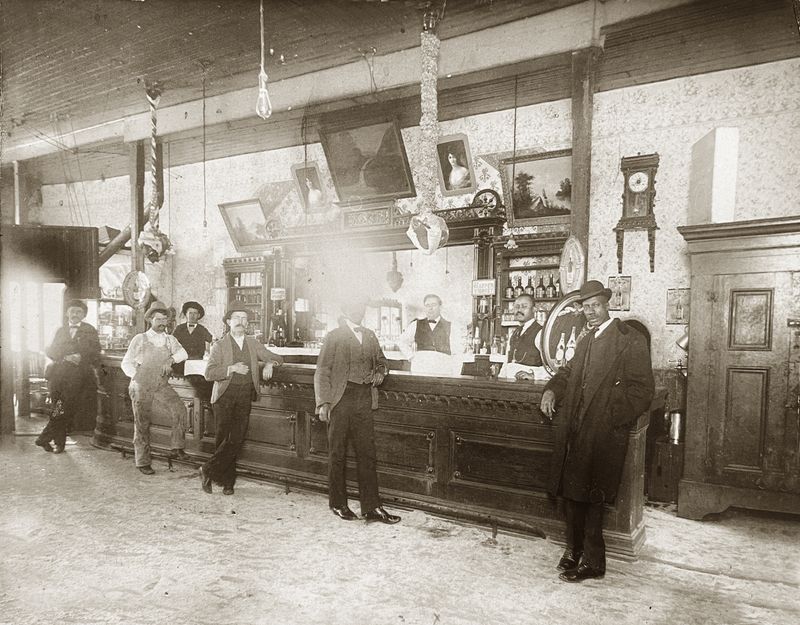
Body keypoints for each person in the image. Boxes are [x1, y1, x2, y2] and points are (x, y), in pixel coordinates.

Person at [540, 280, 654, 583]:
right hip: (577, 426)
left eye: (595, 306)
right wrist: (552, 390)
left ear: (607, 305)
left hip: (602, 430)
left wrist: (611, 416)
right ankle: (574, 550)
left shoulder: (628, 340)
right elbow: (568, 373)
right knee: (573, 491)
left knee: (592, 497)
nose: (590, 312)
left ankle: (593, 562)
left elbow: (643, 391)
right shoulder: (587, 340)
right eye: (585, 307)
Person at [314, 299, 400, 524]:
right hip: (340, 399)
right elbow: (322, 370)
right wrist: (323, 403)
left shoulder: (370, 335)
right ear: (345, 309)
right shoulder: (334, 336)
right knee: (337, 452)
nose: (359, 310)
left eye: (361, 306)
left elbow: (382, 361)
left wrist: (381, 372)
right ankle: (338, 503)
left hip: (364, 398)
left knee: (367, 454)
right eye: (354, 305)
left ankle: (372, 507)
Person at [201, 305, 283, 495]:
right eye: (237, 317)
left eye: (244, 318)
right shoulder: (219, 345)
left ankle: (207, 470)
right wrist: (231, 369)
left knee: (236, 439)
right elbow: (209, 373)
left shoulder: (253, 343)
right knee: (223, 439)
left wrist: (269, 363)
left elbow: (277, 357)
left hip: (245, 395)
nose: (241, 321)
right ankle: (227, 482)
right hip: (224, 396)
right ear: (228, 322)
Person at [121, 300, 189, 474]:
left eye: (164, 319)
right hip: (141, 385)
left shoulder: (170, 339)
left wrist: (170, 360)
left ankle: (176, 447)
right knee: (142, 423)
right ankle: (142, 461)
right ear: (150, 319)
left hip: (161, 385)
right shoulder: (140, 339)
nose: (161, 323)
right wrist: (135, 376)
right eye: (157, 319)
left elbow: (183, 353)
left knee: (180, 409)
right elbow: (126, 362)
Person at [35, 299, 101, 453]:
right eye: (72, 311)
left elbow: (96, 351)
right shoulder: (60, 330)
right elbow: (50, 351)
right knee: (58, 407)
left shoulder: (90, 330)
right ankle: (56, 443)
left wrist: (81, 357)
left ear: (84, 314)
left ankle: (45, 438)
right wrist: (65, 357)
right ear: (67, 313)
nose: (75, 314)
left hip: (78, 376)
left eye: (78, 312)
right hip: (58, 376)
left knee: (63, 408)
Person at [171, 300, 214, 401]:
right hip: (181, 365)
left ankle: (203, 402)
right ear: (186, 314)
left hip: (197, 365)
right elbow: (171, 345)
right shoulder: (179, 329)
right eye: (190, 313)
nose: (192, 316)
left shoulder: (202, 330)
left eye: (195, 313)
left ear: (199, 315)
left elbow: (212, 342)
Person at [507, 293, 544, 373]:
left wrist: (534, 375)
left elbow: (550, 367)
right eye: (517, 307)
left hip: (529, 384)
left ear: (534, 309)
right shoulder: (515, 332)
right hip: (511, 383)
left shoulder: (540, 333)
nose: (519, 310)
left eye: (524, 307)